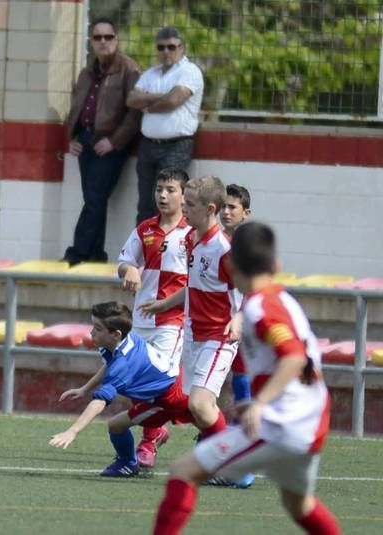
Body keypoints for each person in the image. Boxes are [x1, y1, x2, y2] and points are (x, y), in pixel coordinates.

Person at [153, 221, 340, 535]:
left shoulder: (259, 309)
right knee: (299, 505)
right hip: (311, 420)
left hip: (284, 424)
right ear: (277, 266)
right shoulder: (284, 300)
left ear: (231, 265)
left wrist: (259, 404)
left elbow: (293, 356)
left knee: (183, 471)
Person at [138, 176, 239, 452]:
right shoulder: (191, 239)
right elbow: (195, 286)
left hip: (219, 336)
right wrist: (165, 304)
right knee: (190, 404)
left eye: (190, 204)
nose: (184, 208)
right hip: (193, 333)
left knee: (199, 404)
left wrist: (239, 319)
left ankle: (230, 459)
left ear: (209, 209)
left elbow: (252, 289)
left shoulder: (224, 248)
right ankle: (216, 452)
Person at [49, 302, 192, 478]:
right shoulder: (123, 340)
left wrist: (73, 431)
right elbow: (110, 365)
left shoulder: (124, 361)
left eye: (98, 328)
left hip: (169, 398)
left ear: (115, 334)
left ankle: (127, 463)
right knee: (208, 420)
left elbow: (101, 400)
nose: (91, 332)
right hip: (173, 385)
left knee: (115, 425)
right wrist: (85, 389)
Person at [116, 167, 190, 468]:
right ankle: (159, 429)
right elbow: (124, 261)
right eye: (159, 188)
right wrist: (129, 269)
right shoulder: (144, 229)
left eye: (170, 189)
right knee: (128, 385)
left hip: (172, 322)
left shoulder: (192, 235)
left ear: (184, 195)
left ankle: (148, 442)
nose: (162, 194)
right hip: (141, 320)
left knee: (158, 383)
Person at [61, 17, 141, 266]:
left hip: (109, 145)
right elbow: (75, 107)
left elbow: (135, 112)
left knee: (95, 197)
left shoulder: (129, 69)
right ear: (91, 42)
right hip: (84, 141)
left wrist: (115, 141)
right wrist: (71, 137)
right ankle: (96, 255)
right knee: (94, 200)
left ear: (116, 40)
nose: (103, 42)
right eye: (98, 37)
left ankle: (77, 252)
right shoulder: (86, 73)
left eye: (108, 37)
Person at [126, 27, 204, 225]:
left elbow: (175, 100)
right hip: (148, 146)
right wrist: (163, 95)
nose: (166, 51)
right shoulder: (151, 74)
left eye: (171, 47)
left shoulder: (190, 71)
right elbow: (132, 99)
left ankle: (167, 251)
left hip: (176, 146)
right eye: (161, 47)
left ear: (181, 48)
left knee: (168, 203)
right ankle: (143, 252)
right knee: (145, 203)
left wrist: (149, 106)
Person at [220, 184, 253, 414]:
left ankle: (247, 428)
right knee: (209, 381)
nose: (226, 212)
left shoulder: (249, 245)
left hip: (241, 321)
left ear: (246, 213)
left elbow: (253, 287)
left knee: (241, 378)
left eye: (232, 207)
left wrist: (241, 317)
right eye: (223, 206)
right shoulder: (210, 240)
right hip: (213, 320)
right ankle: (209, 428)